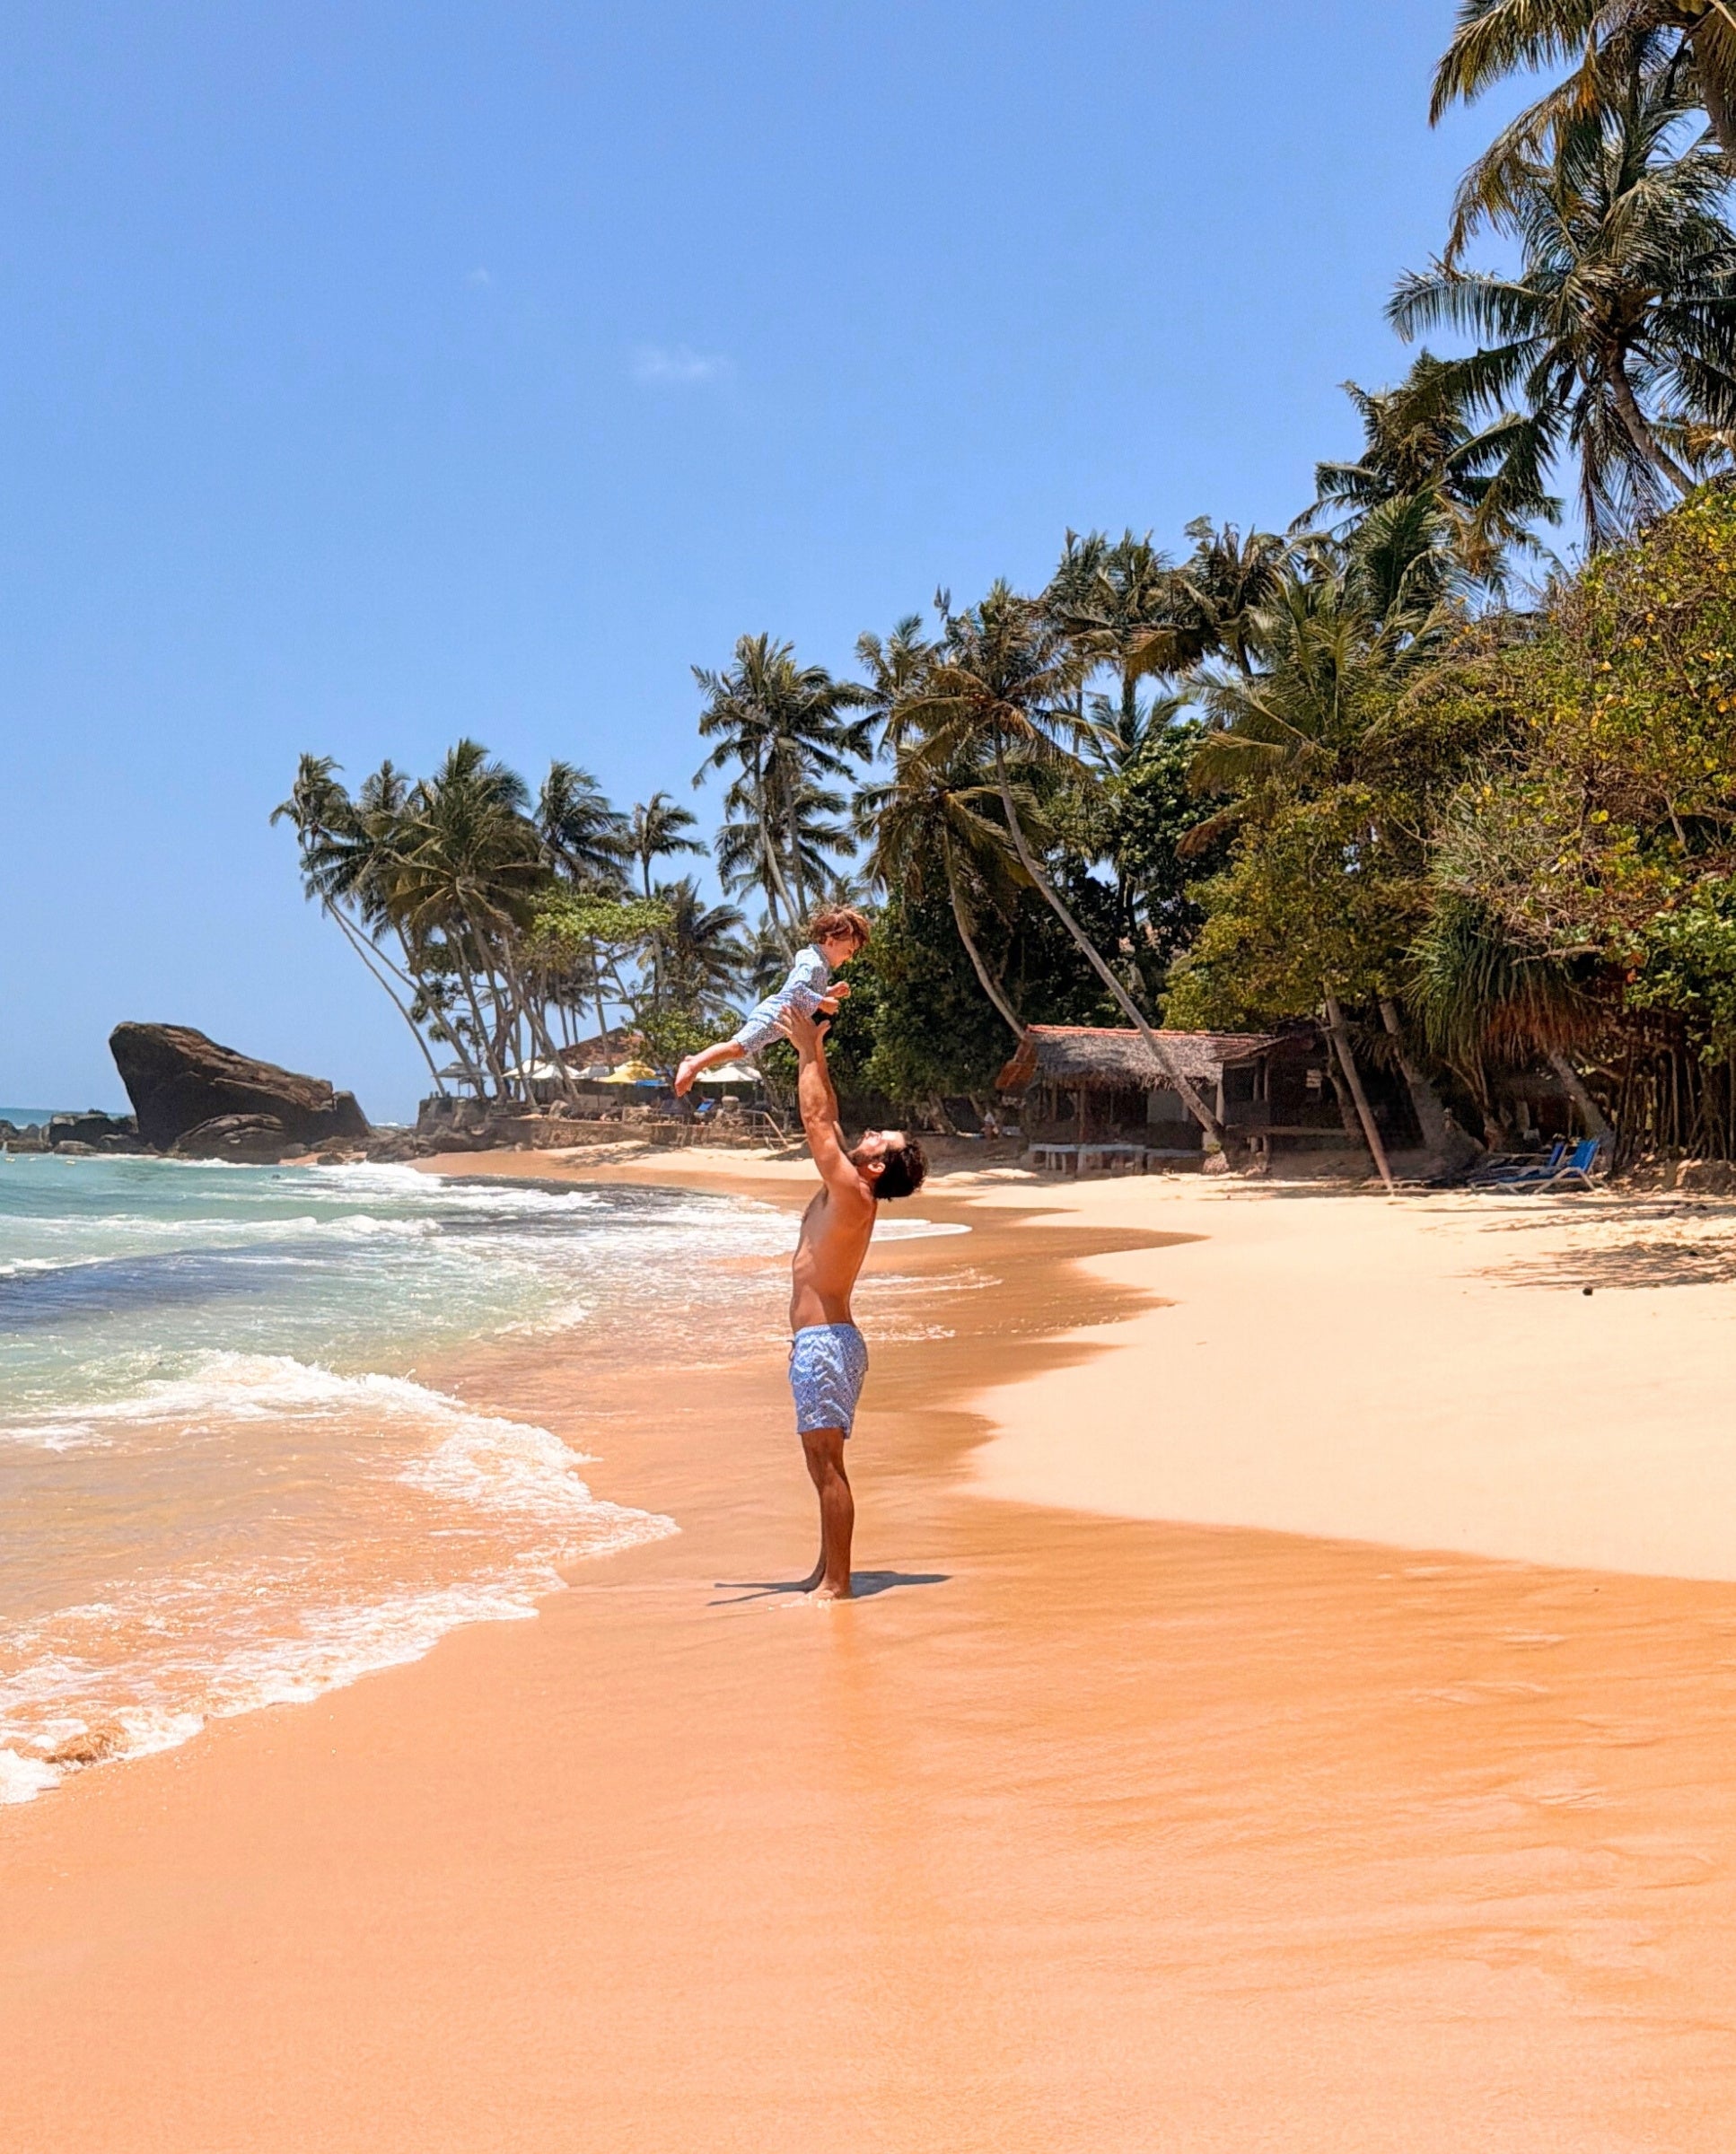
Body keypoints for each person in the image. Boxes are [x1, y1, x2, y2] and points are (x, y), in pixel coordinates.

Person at [777, 1001, 927, 1598]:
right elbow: (831, 1118)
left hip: (826, 1346)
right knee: (819, 1467)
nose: (866, 1135)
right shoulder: (849, 1187)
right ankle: (825, 1571)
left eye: (879, 1140)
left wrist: (805, 1054)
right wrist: (816, 1050)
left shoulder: (853, 1194)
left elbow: (816, 1124)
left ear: (874, 1170)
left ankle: (837, 1585)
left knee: (827, 1467)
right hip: (821, 1344)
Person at [672, 905, 869, 1097]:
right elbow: (796, 989)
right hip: (774, 1015)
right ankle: (694, 1063)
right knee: (737, 1048)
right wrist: (822, 1002)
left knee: (739, 1049)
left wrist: (829, 991)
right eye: (849, 950)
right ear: (831, 940)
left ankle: (696, 1062)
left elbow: (804, 989)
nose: (849, 957)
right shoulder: (814, 964)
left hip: (777, 1017)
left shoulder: (816, 960)